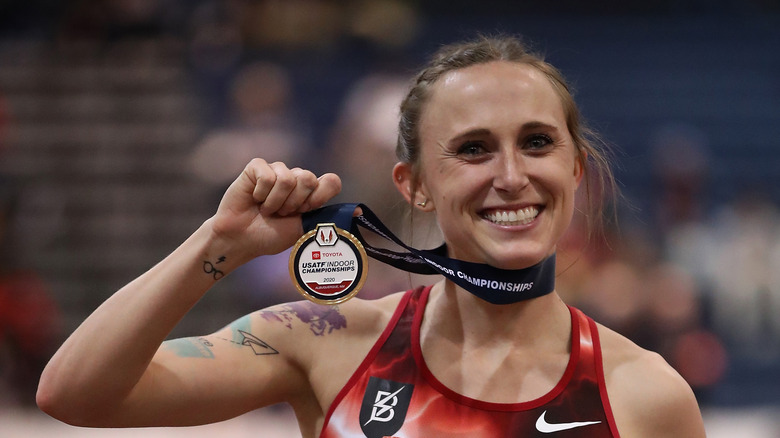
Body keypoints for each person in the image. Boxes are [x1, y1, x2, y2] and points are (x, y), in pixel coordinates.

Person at [36, 35, 706, 437]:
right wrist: (219, 243)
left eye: (536, 143)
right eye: (473, 149)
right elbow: (75, 393)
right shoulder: (328, 341)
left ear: (575, 167)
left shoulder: (644, 394)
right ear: (413, 184)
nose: (511, 176)